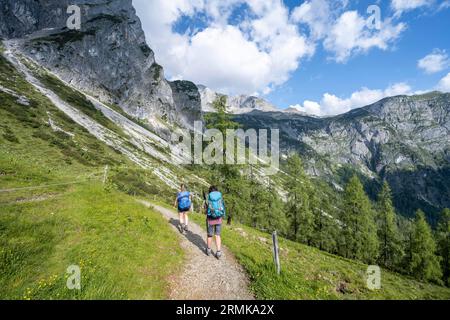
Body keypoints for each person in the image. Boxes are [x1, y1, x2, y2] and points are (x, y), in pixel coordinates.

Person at [204, 186, 226, 259]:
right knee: (217, 235)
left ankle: (208, 250)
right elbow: (223, 206)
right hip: (219, 218)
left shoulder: (208, 198)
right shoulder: (220, 197)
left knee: (210, 235)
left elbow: (205, 210)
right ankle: (218, 252)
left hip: (210, 219)